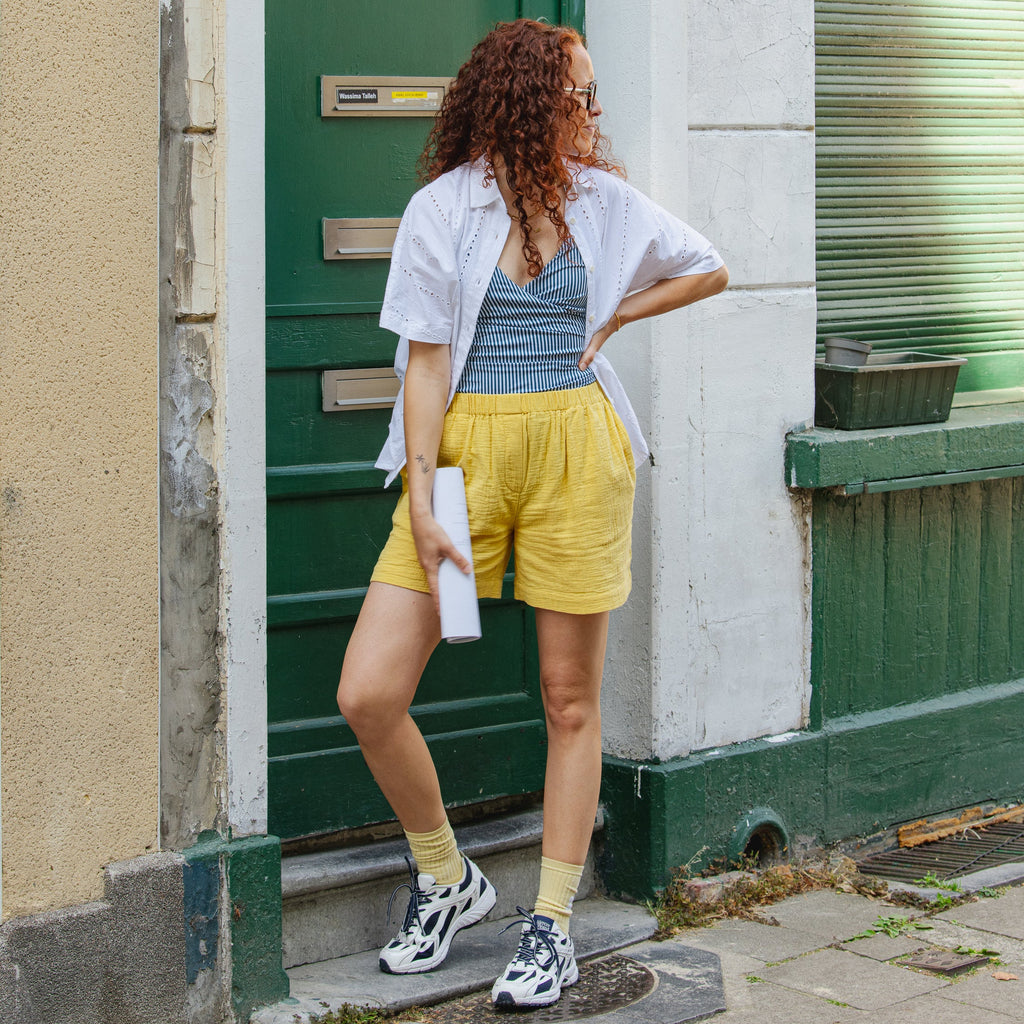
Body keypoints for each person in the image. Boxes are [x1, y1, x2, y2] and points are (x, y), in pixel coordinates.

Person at [337, 18, 728, 1009]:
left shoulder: (603, 201)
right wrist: (421, 492)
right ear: (525, 101)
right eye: (577, 94)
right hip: (462, 461)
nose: (593, 110)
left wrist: (624, 310)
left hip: (576, 453)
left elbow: (707, 265)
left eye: (593, 93)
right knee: (369, 693)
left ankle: (550, 924)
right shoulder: (443, 209)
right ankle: (446, 876)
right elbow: (426, 363)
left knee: (569, 700)